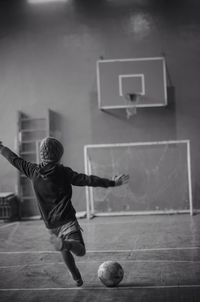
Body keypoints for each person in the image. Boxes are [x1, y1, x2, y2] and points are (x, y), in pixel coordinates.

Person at [0, 138, 129, 287]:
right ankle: (66, 245)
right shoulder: (63, 172)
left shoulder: (32, 170)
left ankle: (76, 278)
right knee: (79, 250)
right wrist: (112, 182)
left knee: (64, 249)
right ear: (60, 155)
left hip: (50, 225)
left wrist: (1, 147)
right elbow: (87, 180)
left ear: (41, 154)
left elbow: (14, 159)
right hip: (66, 219)